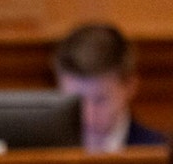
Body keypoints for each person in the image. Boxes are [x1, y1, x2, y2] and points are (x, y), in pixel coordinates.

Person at [52, 23, 167, 153]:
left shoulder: (159, 153)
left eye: (100, 100)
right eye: (74, 102)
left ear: (129, 87)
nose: (87, 116)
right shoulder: (41, 152)